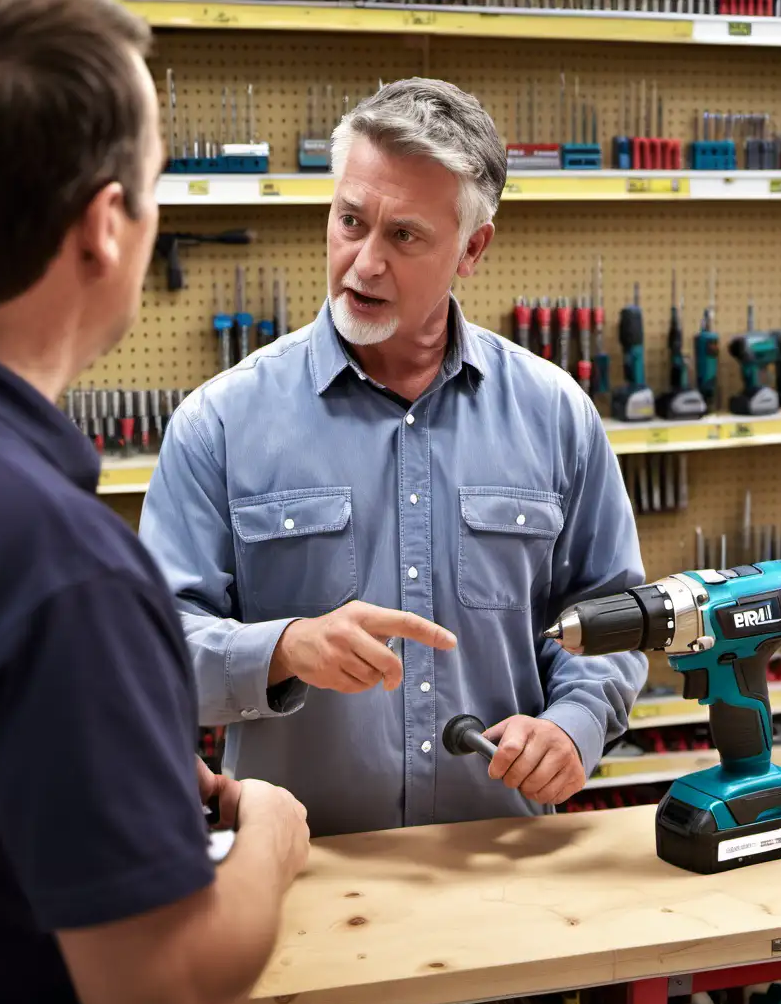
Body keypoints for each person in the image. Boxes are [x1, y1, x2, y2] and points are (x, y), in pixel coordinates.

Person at [0, 0, 309, 1004]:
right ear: (105, 226)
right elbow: (164, 990)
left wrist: (95, 774)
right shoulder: (59, 568)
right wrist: (270, 838)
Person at [139, 77, 648, 839]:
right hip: (298, 875)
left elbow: (615, 618)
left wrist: (574, 723)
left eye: (404, 236)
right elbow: (151, 654)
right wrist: (281, 647)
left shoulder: (556, 415)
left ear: (473, 248)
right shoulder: (220, 422)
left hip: (502, 865)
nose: (363, 264)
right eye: (350, 221)